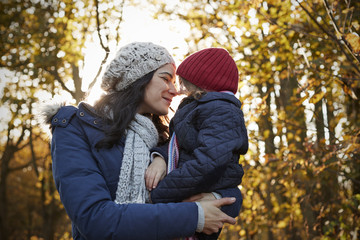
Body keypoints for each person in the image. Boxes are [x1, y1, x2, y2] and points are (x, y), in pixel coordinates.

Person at [40, 42, 241, 240]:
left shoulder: (164, 141)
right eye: (166, 79)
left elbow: (225, 181)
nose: (175, 90)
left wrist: (213, 198)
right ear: (137, 79)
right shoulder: (75, 128)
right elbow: (95, 220)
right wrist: (194, 215)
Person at [146, 47, 249, 240]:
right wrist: (160, 157)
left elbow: (209, 162)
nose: (177, 89)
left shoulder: (221, 111)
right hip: (188, 190)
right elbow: (176, 143)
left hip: (205, 190)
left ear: (201, 82)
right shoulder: (198, 107)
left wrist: (160, 194)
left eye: (183, 82)